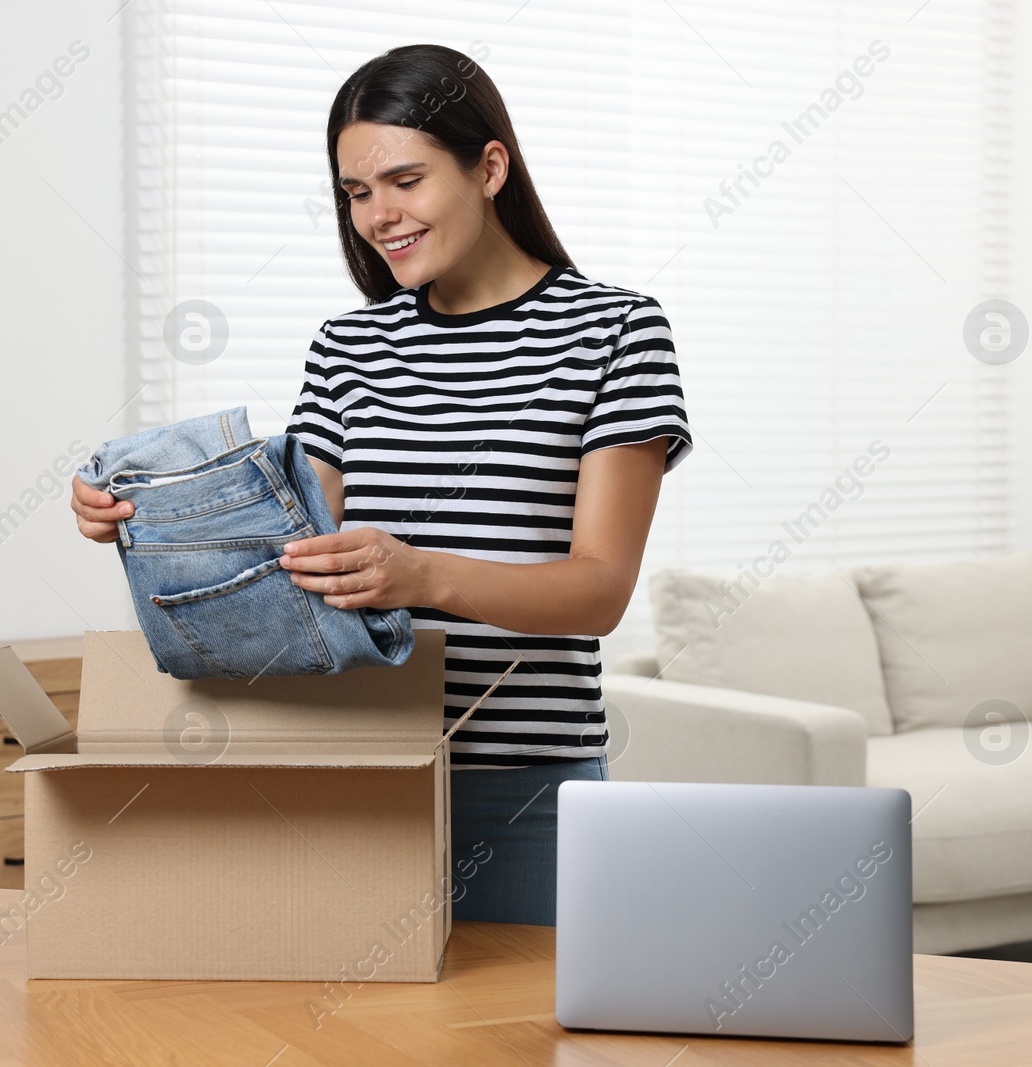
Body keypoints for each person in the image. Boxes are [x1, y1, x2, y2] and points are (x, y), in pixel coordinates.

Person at [71, 43, 692, 926]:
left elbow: (599, 590)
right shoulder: (350, 346)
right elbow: (288, 553)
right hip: (354, 773)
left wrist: (423, 575)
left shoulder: (614, 332)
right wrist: (141, 515)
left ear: (489, 166)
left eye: (404, 180)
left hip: (526, 796)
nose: (378, 216)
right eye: (357, 193)